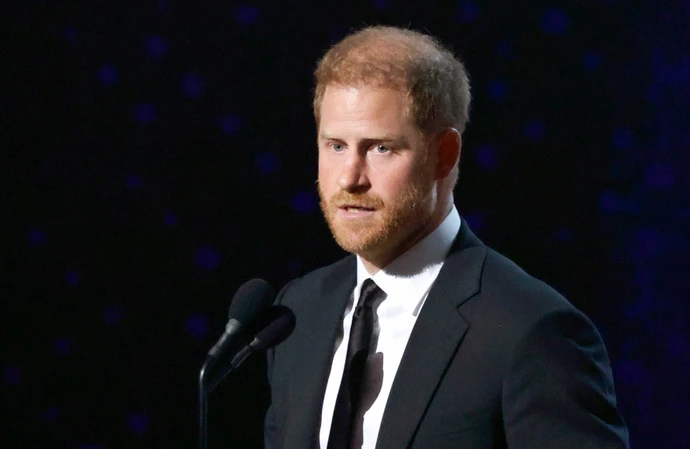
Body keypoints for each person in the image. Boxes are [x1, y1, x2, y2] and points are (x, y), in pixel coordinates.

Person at [263, 25, 630, 449]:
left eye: (380, 148)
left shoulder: (531, 332)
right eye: (336, 146)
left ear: (444, 155)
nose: (349, 177)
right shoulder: (297, 312)